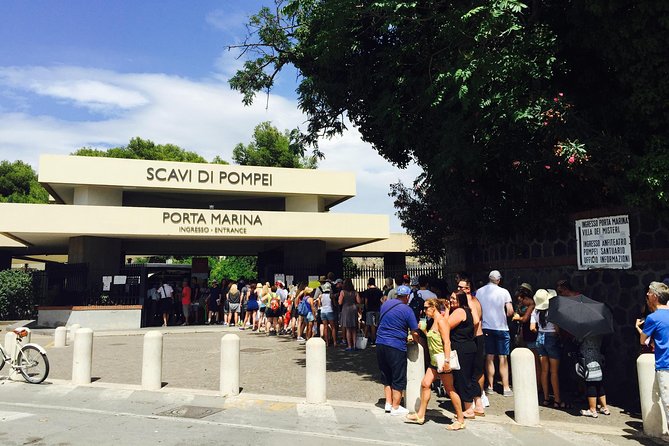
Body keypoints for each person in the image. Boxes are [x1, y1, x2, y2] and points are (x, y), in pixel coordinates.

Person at [405, 298, 466, 430]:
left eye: (427, 307)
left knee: (450, 389)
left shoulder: (442, 321)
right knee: (425, 384)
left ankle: (460, 419)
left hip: (442, 359)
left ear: (434, 308)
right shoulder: (432, 321)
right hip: (434, 360)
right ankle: (421, 415)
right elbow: (433, 339)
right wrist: (425, 331)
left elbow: (447, 342)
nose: (425, 310)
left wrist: (447, 360)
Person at [376, 284, 420, 416]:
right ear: (407, 296)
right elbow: (414, 331)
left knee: (386, 374)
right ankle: (396, 406)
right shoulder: (407, 310)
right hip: (395, 345)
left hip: (380, 342)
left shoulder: (385, 305)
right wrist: (419, 342)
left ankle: (388, 403)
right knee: (398, 375)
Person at [477, 270, 514, 396]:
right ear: (499, 280)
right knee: (503, 357)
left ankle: (491, 386)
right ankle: (506, 387)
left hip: (486, 327)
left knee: (489, 357)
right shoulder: (504, 292)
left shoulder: (480, 291)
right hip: (501, 328)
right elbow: (510, 311)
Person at [531, 289, 568, 408]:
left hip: (540, 338)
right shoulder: (552, 311)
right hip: (551, 338)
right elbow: (557, 329)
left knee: (544, 371)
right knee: (554, 372)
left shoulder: (535, 311)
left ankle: (546, 399)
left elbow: (532, 327)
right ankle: (557, 400)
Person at [638, 282, 669, 422]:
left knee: (667, 401)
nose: (647, 294)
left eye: (649, 293)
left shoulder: (653, 318)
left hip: (664, 364)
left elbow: (642, 340)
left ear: (655, 297)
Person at [449, 290, 479, 421]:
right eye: (451, 298)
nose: (451, 301)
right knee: (469, 377)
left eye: (454, 299)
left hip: (462, 348)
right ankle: (471, 405)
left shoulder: (459, 311)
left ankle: (468, 409)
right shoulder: (467, 311)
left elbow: (446, 325)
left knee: (463, 378)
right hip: (468, 347)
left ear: (460, 300)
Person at [339, 278, 361, 350]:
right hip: (353, 309)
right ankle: (354, 345)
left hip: (346, 309)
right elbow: (358, 301)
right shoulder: (355, 292)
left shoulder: (342, 292)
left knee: (348, 329)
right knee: (354, 328)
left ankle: (349, 345)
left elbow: (340, 302)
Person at [362, 277, 384, 345]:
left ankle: (370, 339)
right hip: (377, 309)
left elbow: (366, 301)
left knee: (370, 324)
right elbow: (381, 300)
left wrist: (366, 308)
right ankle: (376, 338)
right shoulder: (379, 291)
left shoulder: (367, 291)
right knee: (376, 324)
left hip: (369, 309)